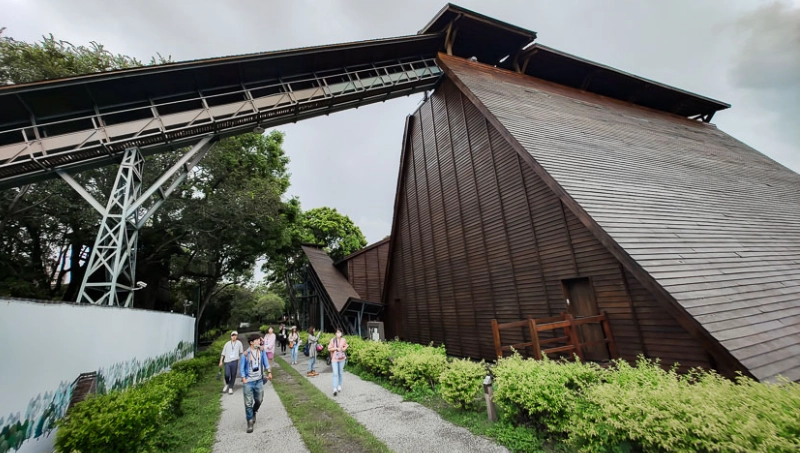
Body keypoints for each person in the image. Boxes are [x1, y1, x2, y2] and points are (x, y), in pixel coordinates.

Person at [239, 333, 272, 433]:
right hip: (249, 382)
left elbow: (266, 362)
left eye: (259, 340)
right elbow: (241, 368)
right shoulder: (245, 354)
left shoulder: (261, 352)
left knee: (259, 399)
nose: (258, 341)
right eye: (256, 340)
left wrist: (269, 371)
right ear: (251, 342)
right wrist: (243, 378)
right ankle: (250, 422)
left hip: (259, 380)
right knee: (248, 403)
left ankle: (254, 411)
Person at [219, 331, 244, 395]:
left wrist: (242, 360)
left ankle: (230, 387)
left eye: (235, 335)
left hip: (235, 361)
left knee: (233, 374)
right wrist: (221, 361)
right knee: (227, 374)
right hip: (227, 361)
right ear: (231, 336)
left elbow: (241, 352)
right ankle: (227, 384)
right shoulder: (227, 344)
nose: (234, 337)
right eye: (233, 335)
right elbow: (223, 353)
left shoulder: (239, 343)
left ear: (237, 336)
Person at [328, 328, 349, 396]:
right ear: (335, 333)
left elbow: (346, 346)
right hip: (334, 358)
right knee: (335, 373)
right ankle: (334, 388)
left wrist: (343, 349)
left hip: (342, 358)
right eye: (337, 332)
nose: (338, 333)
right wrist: (336, 349)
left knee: (340, 372)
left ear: (341, 333)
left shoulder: (343, 340)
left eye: (339, 332)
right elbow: (329, 348)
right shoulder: (333, 340)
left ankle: (339, 385)